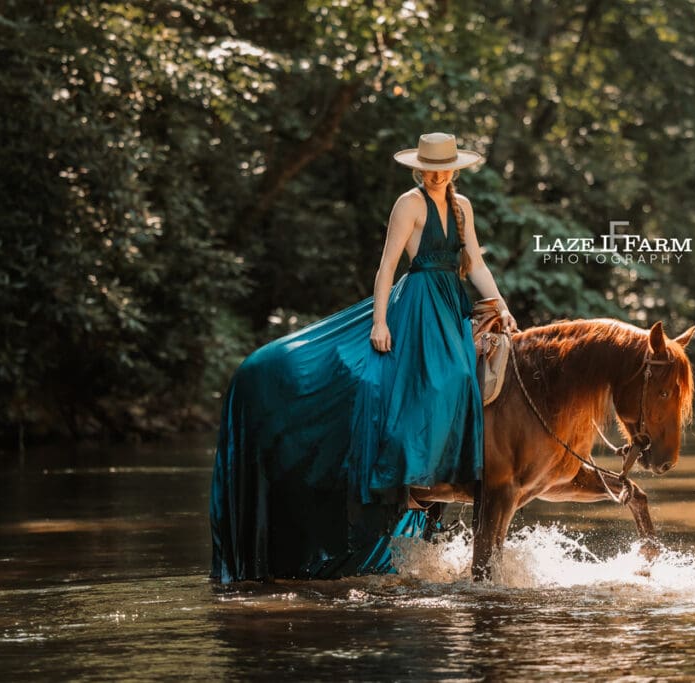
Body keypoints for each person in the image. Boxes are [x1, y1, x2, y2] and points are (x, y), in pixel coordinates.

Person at [209, 132, 517, 583]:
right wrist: (379, 322)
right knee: (429, 380)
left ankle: (447, 480)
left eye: (444, 167)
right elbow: (388, 266)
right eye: (430, 167)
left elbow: (476, 262)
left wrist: (501, 303)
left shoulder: (461, 206)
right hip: (415, 304)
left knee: (463, 379)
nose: (437, 173)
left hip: (450, 302)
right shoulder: (408, 204)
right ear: (419, 167)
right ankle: (410, 483)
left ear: (454, 168)